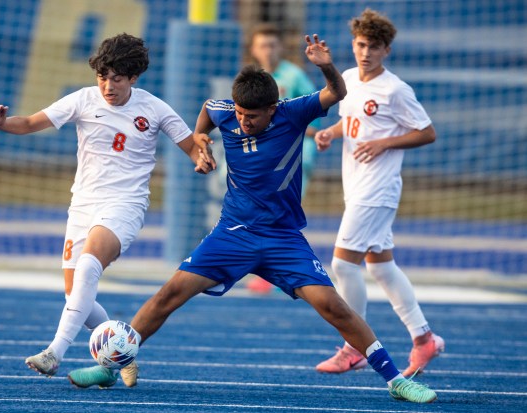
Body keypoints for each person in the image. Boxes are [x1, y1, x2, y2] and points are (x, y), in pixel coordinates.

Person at [67, 34, 438, 404]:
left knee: (333, 306)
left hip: (282, 238)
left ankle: (395, 380)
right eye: (240, 114)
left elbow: (337, 93)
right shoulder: (225, 111)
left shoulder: (294, 112)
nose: (243, 121)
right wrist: (200, 142)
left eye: (253, 116)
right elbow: (207, 113)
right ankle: (111, 366)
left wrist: (325, 65)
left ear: (273, 109)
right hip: (233, 234)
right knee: (170, 294)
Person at [0, 33, 212, 387]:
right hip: (83, 206)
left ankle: (54, 353)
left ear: (133, 78)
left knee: (90, 263)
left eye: (117, 79)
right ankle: (122, 355)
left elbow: (191, 146)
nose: (108, 86)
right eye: (102, 77)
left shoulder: (154, 108)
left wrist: (202, 158)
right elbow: (30, 123)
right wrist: (2, 124)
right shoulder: (83, 100)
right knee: (77, 296)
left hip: (126, 204)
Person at [313, 9, 444, 377]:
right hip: (355, 186)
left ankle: (354, 346)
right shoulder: (350, 78)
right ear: (353, 45)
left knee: (342, 264)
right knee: (381, 266)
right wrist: (331, 133)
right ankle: (424, 339)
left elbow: (427, 131)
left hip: (378, 187)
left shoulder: (396, 90)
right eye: (360, 44)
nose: (365, 52)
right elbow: (352, 121)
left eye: (373, 46)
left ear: (386, 50)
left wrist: (386, 143)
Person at [246, 23, 322, 294]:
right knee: (272, 217)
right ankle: (281, 271)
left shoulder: (294, 76)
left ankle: (278, 272)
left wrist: (298, 130)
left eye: (272, 44)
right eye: (262, 44)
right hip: (265, 158)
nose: (268, 50)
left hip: (295, 156)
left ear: (280, 47)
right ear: (254, 49)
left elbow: (314, 110)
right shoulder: (252, 79)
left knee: (277, 216)